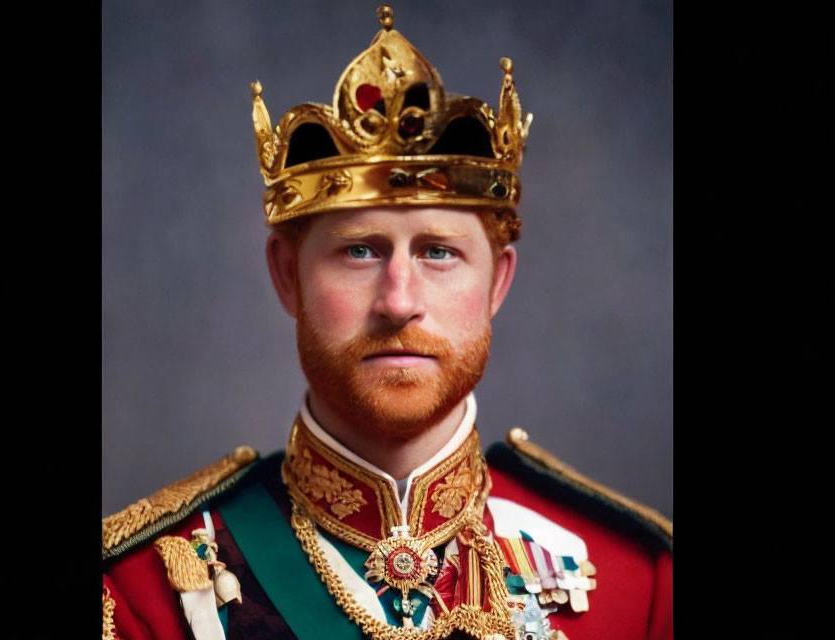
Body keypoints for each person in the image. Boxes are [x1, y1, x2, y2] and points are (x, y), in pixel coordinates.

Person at [101, 6, 672, 639]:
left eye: (438, 252)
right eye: (360, 251)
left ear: (497, 283)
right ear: (287, 276)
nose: (399, 301)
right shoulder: (140, 591)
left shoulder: (639, 583)